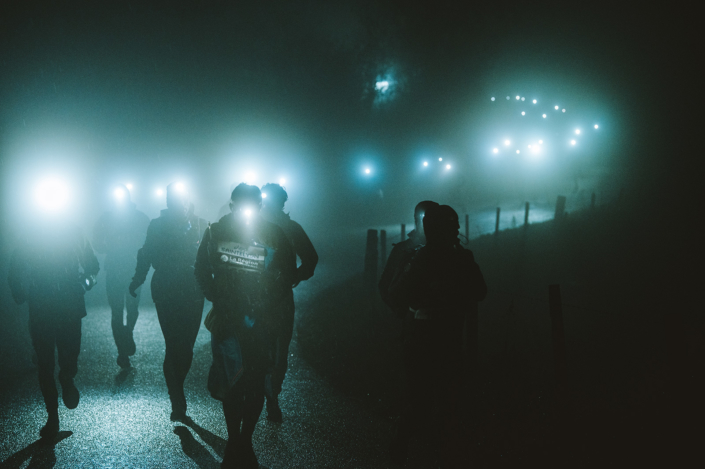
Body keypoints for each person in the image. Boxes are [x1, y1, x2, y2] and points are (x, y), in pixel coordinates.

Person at [195, 183, 296, 469]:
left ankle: (245, 440)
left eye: (253, 204)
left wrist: (268, 298)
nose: (248, 209)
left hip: (261, 319)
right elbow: (201, 269)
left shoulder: (273, 233)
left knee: (255, 381)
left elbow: (288, 270)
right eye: (243, 204)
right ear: (232, 205)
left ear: (261, 206)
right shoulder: (215, 232)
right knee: (231, 381)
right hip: (227, 319)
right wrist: (218, 296)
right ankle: (235, 439)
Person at [387, 204, 487, 467]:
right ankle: (416, 452)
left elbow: (397, 294)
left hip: (428, 337)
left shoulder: (429, 257)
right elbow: (480, 291)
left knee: (426, 399)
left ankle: (408, 450)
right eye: (452, 226)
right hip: (438, 338)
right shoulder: (447, 258)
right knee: (438, 400)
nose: (456, 230)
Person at [8, 218, 99, 439]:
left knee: (70, 354)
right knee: (44, 362)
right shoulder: (31, 233)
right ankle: (53, 416)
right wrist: (19, 291)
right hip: (42, 303)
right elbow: (15, 266)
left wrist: (86, 282)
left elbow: (92, 265)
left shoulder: (74, 231)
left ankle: (67, 378)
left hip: (66, 302)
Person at [129, 182, 207, 422]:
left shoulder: (202, 224)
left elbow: (211, 256)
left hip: (193, 287)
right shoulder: (158, 225)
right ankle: (177, 398)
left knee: (186, 347)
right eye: (172, 198)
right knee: (175, 344)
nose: (175, 201)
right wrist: (138, 279)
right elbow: (146, 253)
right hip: (168, 287)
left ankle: (177, 391)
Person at [259, 182, 318, 422]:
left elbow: (311, 259)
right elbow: (311, 260)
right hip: (271, 296)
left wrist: (294, 277)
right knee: (274, 351)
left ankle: (269, 395)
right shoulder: (284, 227)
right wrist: (295, 277)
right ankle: (269, 396)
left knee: (276, 351)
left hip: (275, 297)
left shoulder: (287, 228)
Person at [93, 184, 149, 369]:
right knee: (119, 311)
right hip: (122, 270)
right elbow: (97, 243)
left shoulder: (136, 218)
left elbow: (148, 241)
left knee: (128, 310)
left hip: (129, 270)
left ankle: (126, 338)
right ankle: (122, 350)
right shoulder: (111, 218)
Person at [379, 200, 439, 320]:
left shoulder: (443, 249)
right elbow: (385, 285)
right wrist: (404, 313)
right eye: (422, 217)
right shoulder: (402, 250)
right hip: (412, 322)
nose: (425, 222)